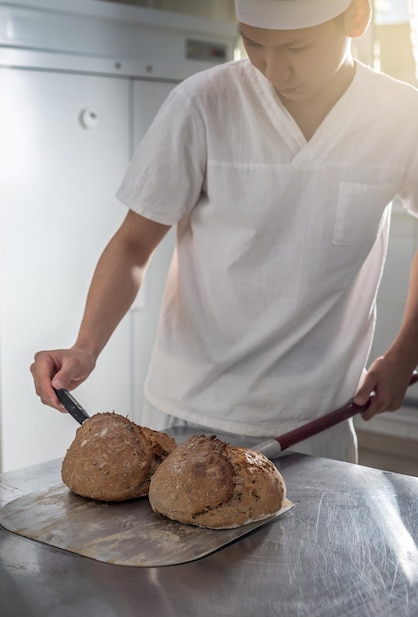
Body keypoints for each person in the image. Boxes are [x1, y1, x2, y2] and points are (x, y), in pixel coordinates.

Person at [30, 0, 418, 463]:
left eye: (296, 46)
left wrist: (404, 355)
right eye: (254, 43)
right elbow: (133, 245)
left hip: (318, 419)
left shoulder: (402, 116)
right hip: (190, 411)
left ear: (356, 17)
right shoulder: (202, 102)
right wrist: (86, 346)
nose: (275, 68)